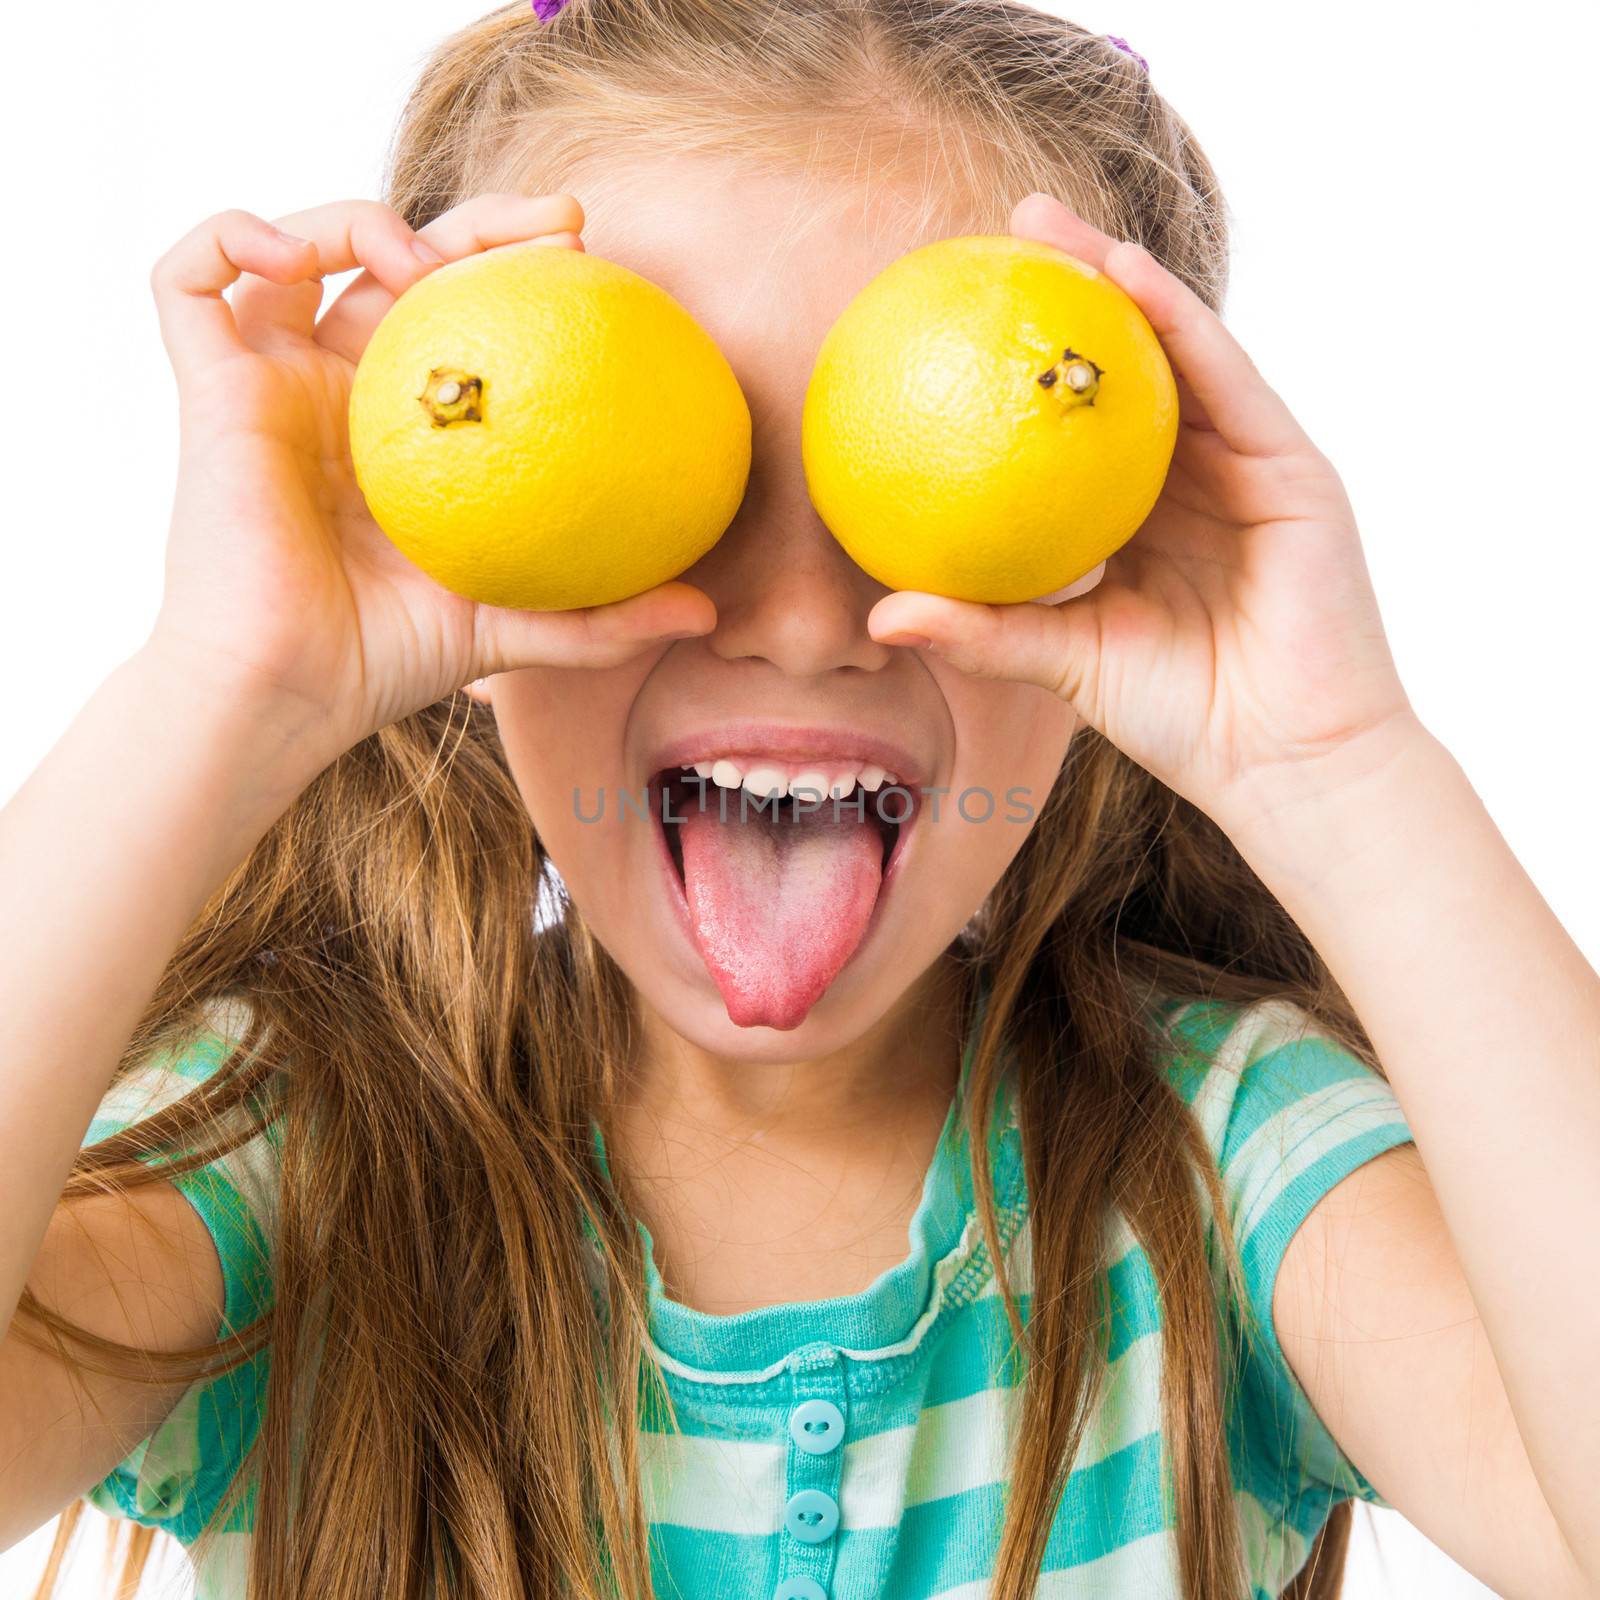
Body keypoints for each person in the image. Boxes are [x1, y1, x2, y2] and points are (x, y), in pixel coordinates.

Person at [2, 3, 1596, 1599]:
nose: (796, 619)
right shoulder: (294, 1157)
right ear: (448, 535)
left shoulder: (1229, 1169)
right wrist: (221, 684)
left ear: (1116, 517)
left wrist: (1335, 766)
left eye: (909, 487)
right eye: (654, 480)